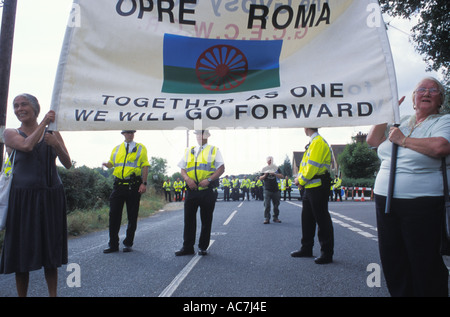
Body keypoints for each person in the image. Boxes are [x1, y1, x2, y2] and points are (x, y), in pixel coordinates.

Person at [367, 77, 450, 296]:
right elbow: (373, 140)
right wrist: (386, 112)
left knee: (424, 263)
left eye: (434, 90)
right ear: (413, 99)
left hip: (423, 201)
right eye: (421, 89)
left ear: (440, 99)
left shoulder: (443, 121)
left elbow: (441, 146)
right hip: (386, 201)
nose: (427, 93)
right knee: (393, 260)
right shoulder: (402, 120)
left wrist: (403, 140)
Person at [0, 94, 72, 297]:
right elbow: (27, 146)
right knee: (21, 253)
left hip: (50, 197)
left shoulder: (53, 133)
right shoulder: (10, 133)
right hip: (22, 199)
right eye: (16, 106)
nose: (19, 108)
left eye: (24, 104)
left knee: (50, 252)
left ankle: (53, 295)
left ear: (34, 107)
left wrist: (56, 144)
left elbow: (67, 163)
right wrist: (44, 123)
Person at [175, 130, 225, 256]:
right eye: (197, 134)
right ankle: (187, 247)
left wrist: (209, 180)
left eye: (202, 134)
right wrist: (187, 179)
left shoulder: (214, 150)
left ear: (207, 135)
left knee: (206, 220)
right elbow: (183, 169)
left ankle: (203, 247)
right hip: (191, 190)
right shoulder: (189, 150)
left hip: (207, 191)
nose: (199, 136)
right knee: (189, 220)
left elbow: (221, 168)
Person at [102, 130, 149, 253]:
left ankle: (128, 243)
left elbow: (145, 165)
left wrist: (144, 183)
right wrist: (107, 165)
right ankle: (113, 244)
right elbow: (112, 163)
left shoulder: (140, 148)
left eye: (132, 132)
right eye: (127, 132)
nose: (130, 134)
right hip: (118, 185)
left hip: (133, 186)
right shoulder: (117, 149)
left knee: (132, 216)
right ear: (123, 134)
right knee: (113, 215)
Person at [291, 128, 333, 264]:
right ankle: (306, 248)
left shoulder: (318, 142)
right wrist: (301, 181)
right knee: (307, 219)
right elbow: (305, 167)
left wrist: (300, 180)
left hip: (318, 186)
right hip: (310, 187)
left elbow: (312, 167)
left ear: (307, 127)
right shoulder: (313, 143)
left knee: (322, 220)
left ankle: (326, 253)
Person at [260, 156, 283, 224]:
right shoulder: (264, 168)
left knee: (276, 205)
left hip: (275, 189)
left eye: (271, 160)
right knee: (267, 205)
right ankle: (267, 218)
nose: (270, 161)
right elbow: (260, 178)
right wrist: (265, 175)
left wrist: (275, 174)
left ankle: (275, 217)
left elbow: (282, 176)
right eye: (269, 160)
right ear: (267, 161)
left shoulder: (276, 168)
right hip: (267, 189)